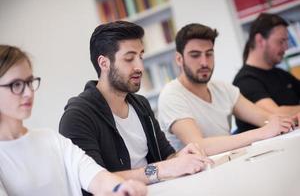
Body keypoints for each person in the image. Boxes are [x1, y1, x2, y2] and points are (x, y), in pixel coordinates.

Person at [59, 21, 212, 193]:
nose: (139, 67)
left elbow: (166, 155)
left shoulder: (140, 104)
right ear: (104, 63)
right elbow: (94, 181)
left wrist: (181, 157)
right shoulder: (77, 116)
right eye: (129, 58)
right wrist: (163, 169)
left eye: (141, 56)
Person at [0, 45, 146, 196]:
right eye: (16, 85)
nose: (28, 92)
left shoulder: (50, 138)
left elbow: (94, 174)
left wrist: (121, 188)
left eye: (29, 82)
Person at [158, 23, 294, 156]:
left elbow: (266, 118)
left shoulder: (222, 88)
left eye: (209, 54)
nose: (204, 62)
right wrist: (262, 132)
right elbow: (199, 146)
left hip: (230, 163)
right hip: (196, 175)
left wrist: (290, 120)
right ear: (179, 59)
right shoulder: (171, 95)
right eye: (195, 55)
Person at [233, 13, 300, 133]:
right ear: (260, 40)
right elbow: (276, 115)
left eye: (286, 41)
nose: (286, 47)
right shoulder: (245, 81)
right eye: (281, 41)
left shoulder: (282, 74)